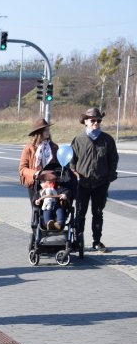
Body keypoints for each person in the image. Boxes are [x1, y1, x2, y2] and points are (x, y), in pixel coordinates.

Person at [71, 107, 119, 253]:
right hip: (82, 183)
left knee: (98, 213)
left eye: (98, 120)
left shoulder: (107, 139)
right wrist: (75, 173)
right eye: (93, 120)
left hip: (100, 183)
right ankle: (77, 241)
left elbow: (113, 159)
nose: (96, 123)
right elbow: (72, 161)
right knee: (80, 213)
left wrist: (109, 177)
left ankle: (96, 241)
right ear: (85, 121)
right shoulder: (78, 140)